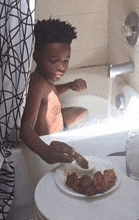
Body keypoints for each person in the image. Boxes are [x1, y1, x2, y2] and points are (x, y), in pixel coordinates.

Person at [20, 19, 88, 164]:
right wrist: (45, 152)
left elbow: (51, 93)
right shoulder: (37, 85)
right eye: (53, 61)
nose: (61, 67)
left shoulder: (46, 79)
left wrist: (69, 85)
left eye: (65, 61)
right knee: (83, 113)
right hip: (51, 140)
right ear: (36, 56)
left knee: (83, 112)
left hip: (59, 127)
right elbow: (25, 129)